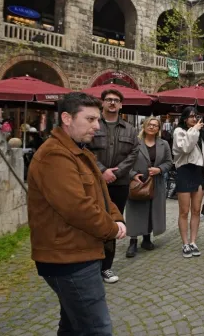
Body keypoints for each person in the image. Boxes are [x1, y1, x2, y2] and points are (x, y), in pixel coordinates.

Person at [27, 92, 127, 335]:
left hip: (78, 253)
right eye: (91, 119)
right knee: (96, 329)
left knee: (72, 325)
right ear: (66, 118)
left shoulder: (78, 151)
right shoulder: (56, 155)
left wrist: (116, 216)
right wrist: (112, 228)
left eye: (98, 120)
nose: (97, 126)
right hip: (69, 257)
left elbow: (100, 193)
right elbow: (77, 208)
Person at [90, 89, 139, 284]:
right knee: (92, 220)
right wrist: (102, 170)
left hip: (119, 183)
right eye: (108, 100)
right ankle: (91, 264)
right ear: (102, 103)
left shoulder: (129, 129)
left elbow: (134, 153)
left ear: (121, 105)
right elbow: (84, 148)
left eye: (116, 100)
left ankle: (106, 267)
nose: (112, 103)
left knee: (113, 222)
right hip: (94, 181)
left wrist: (115, 173)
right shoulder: (93, 125)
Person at [124, 116, 173, 258]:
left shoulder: (164, 144)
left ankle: (146, 239)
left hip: (156, 183)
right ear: (144, 126)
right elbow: (125, 161)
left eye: (155, 125)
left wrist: (159, 169)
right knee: (135, 211)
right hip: (137, 182)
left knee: (152, 210)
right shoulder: (135, 143)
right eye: (149, 125)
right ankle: (132, 241)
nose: (152, 127)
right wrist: (132, 175)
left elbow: (169, 162)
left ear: (159, 129)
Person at [173, 106, 204, 258]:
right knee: (184, 211)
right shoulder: (179, 132)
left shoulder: (200, 134)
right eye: (191, 116)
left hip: (198, 173)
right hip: (184, 171)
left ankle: (193, 241)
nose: (194, 118)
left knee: (196, 210)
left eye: (196, 116)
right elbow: (185, 148)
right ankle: (185, 243)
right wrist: (195, 130)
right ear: (185, 119)